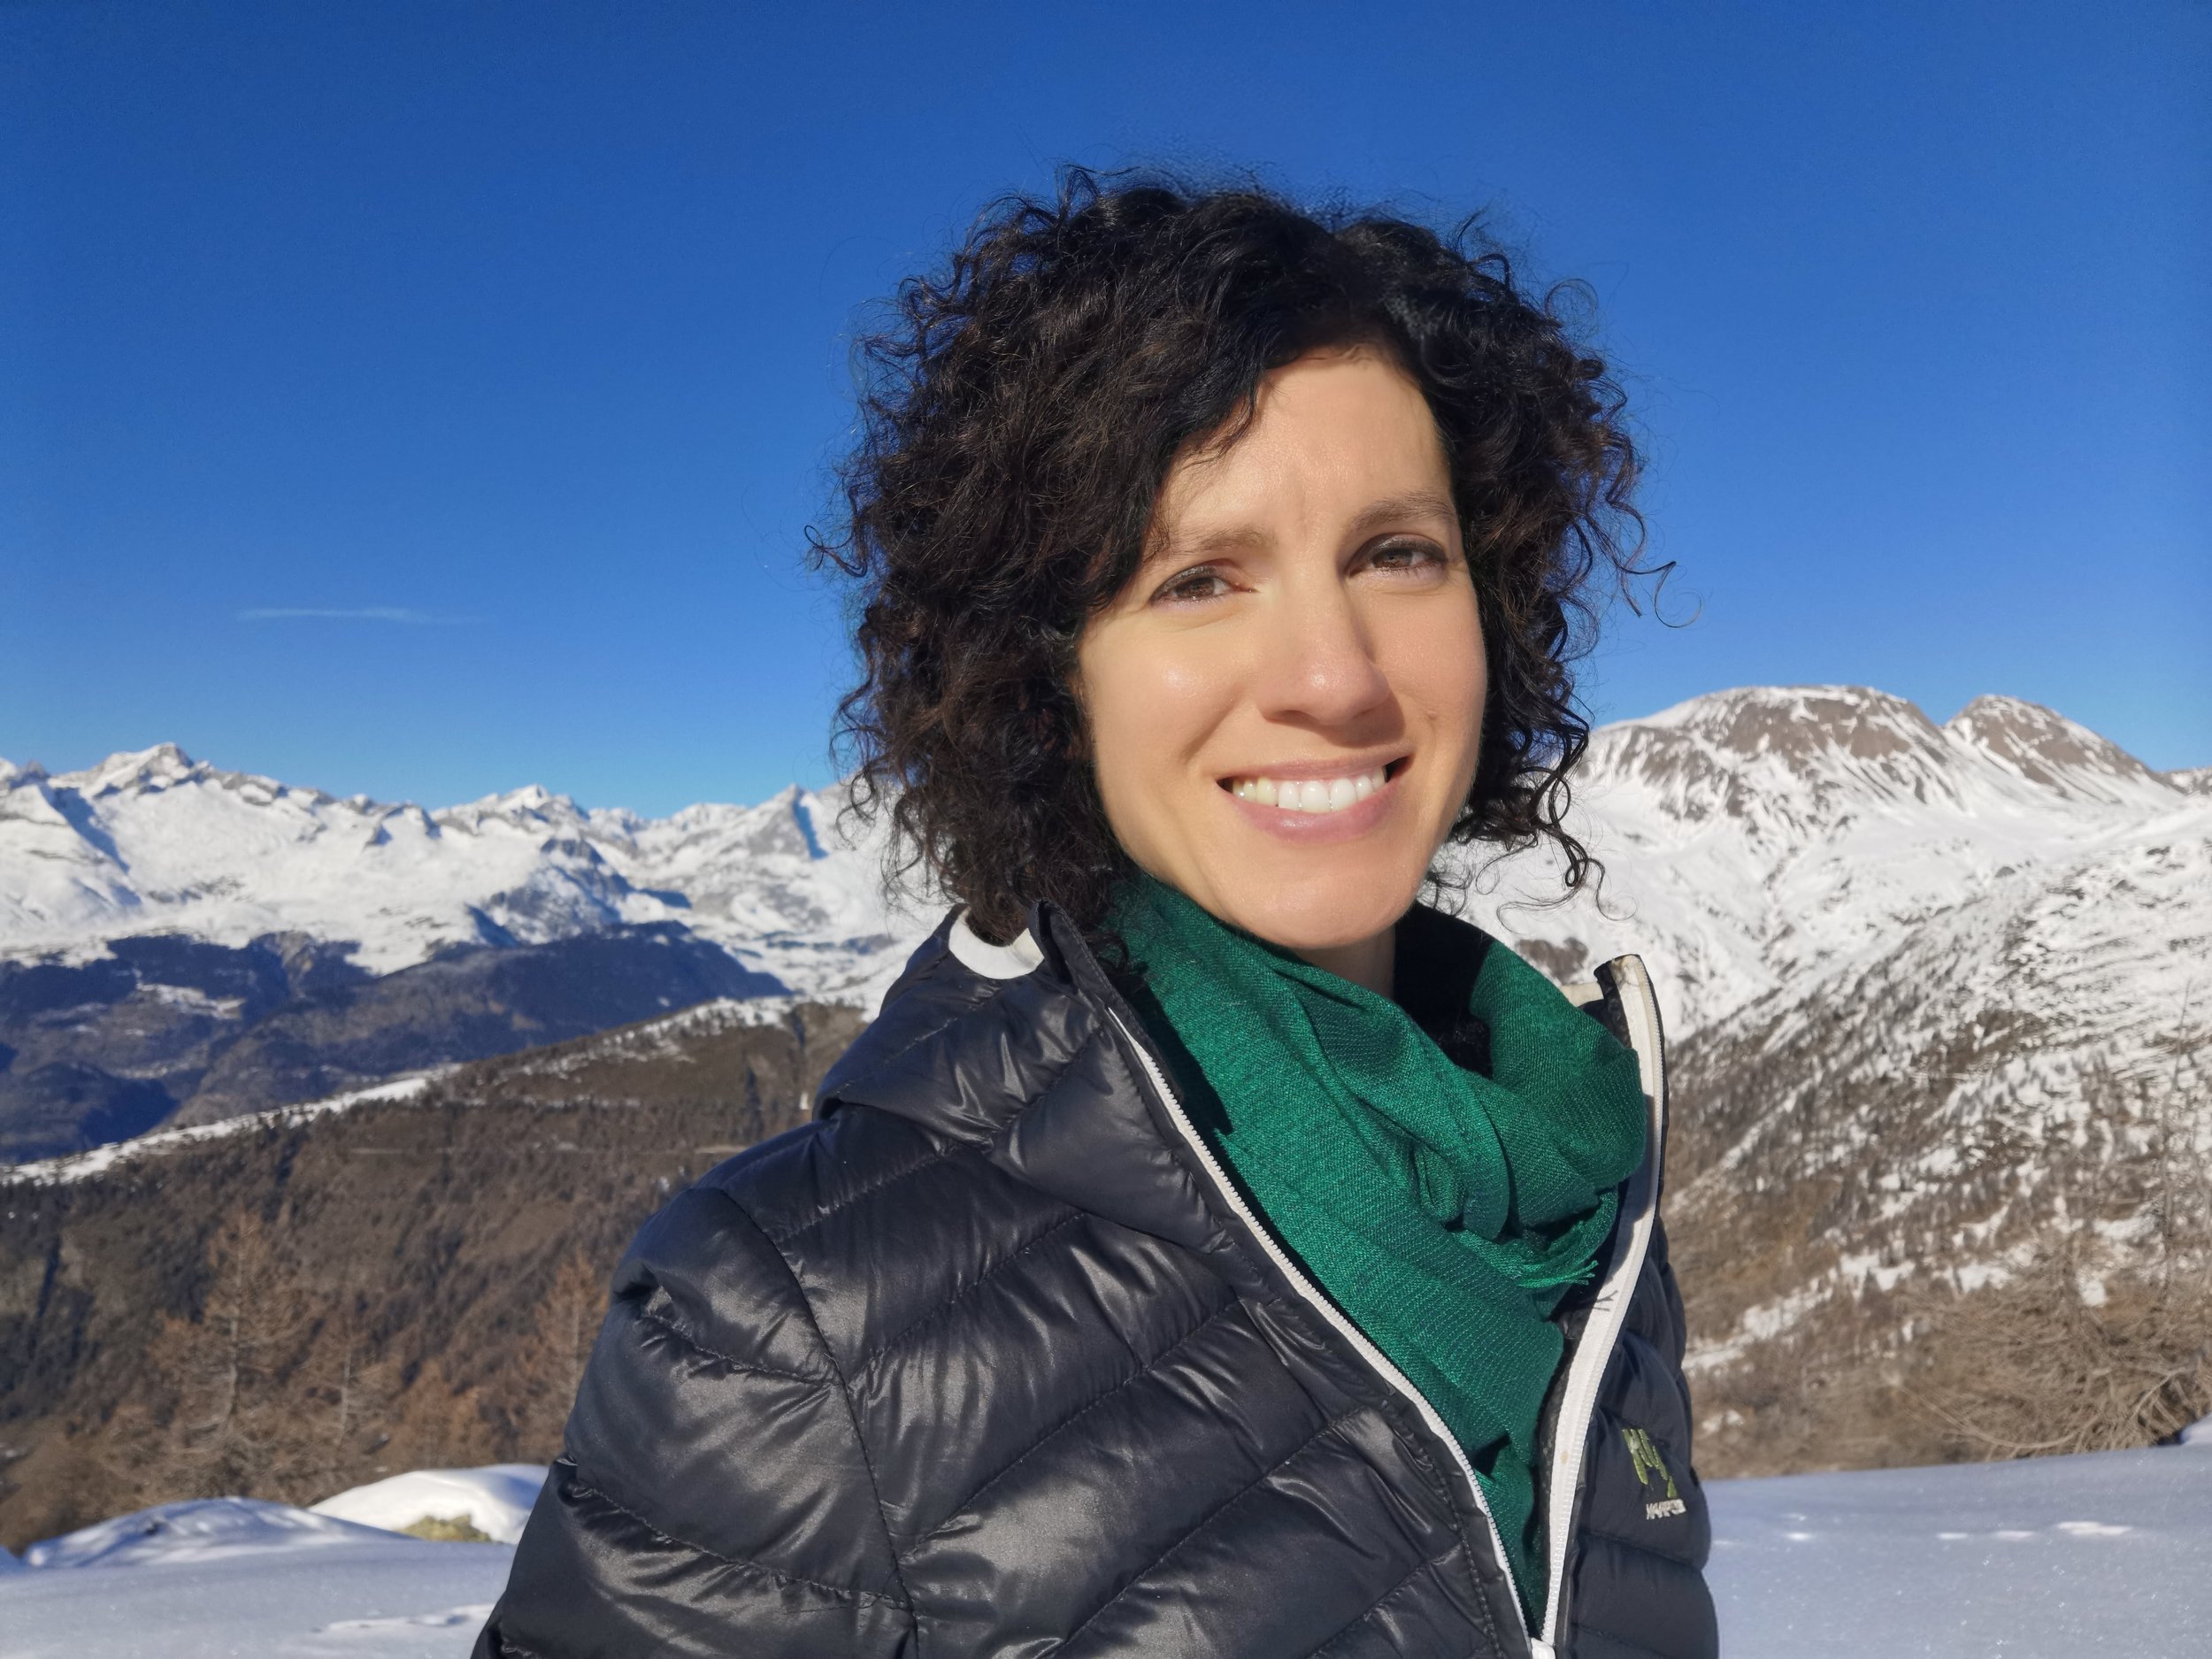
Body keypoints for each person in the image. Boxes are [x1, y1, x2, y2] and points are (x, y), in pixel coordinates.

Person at [476, 172, 1716, 1659]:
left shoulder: (1586, 1201)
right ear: (1049, 673)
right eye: (1199, 577)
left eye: (1398, 553)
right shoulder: (792, 1320)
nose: (1334, 675)